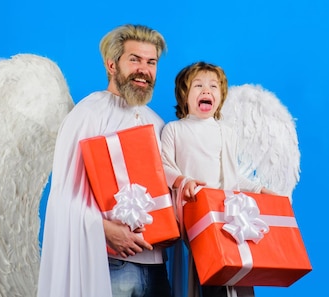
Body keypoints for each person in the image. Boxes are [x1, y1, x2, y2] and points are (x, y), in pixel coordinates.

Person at [37, 24, 173, 297]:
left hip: (157, 265)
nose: (143, 70)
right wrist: (104, 228)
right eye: (134, 60)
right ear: (112, 65)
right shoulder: (88, 115)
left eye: (151, 62)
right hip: (111, 265)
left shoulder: (157, 123)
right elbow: (63, 197)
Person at [160, 61, 277, 297]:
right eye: (198, 86)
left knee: (234, 272)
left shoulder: (225, 131)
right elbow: (162, 165)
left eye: (213, 86)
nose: (206, 91)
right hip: (194, 216)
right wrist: (184, 181)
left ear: (220, 97)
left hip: (226, 216)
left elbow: (232, 175)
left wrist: (260, 189)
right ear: (184, 95)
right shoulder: (174, 129)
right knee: (203, 276)